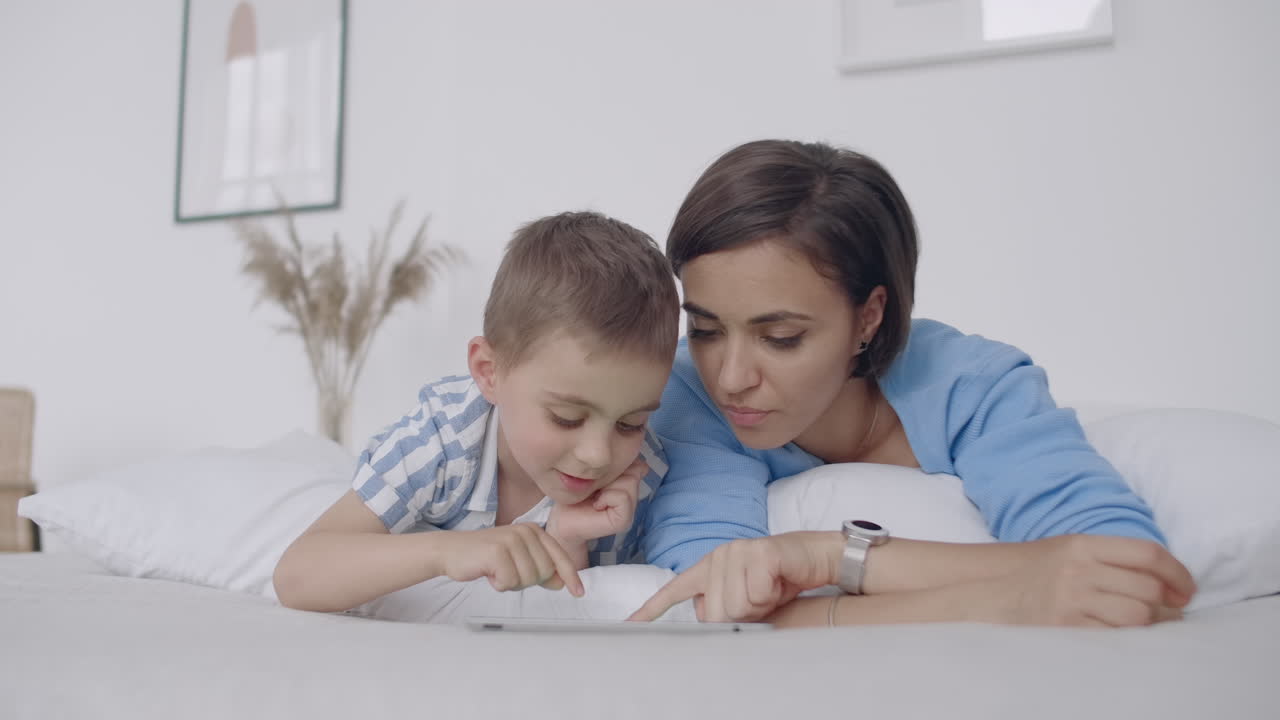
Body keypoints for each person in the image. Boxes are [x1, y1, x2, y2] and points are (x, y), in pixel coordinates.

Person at [628, 139, 1196, 628]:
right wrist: (1006, 595)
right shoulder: (687, 391)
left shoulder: (973, 386)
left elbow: (1129, 573)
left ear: (869, 316)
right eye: (703, 328)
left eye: (780, 337)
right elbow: (709, 602)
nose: (730, 378)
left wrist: (830, 558)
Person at [274, 211, 680, 613]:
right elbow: (296, 577)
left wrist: (567, 541)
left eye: (631, 423)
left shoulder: (638, 476)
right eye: (566, 417)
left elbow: (567, 616)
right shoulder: (442, 437)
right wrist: (446, 551)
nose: (598, 455)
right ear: (489, 372)